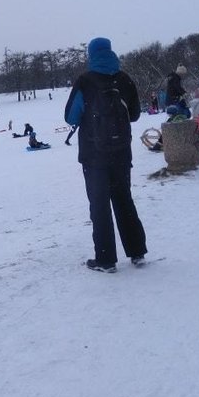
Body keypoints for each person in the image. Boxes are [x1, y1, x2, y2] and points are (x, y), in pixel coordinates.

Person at [64, 37, 147, 273]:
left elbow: (70, 117)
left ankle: (106, 259)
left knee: (99, 205)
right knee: (124, 200)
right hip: (121, 153)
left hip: (93, 155)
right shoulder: (124, 79)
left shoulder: (85, 81)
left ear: (91, 55)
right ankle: (137, 251)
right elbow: (135, 115)